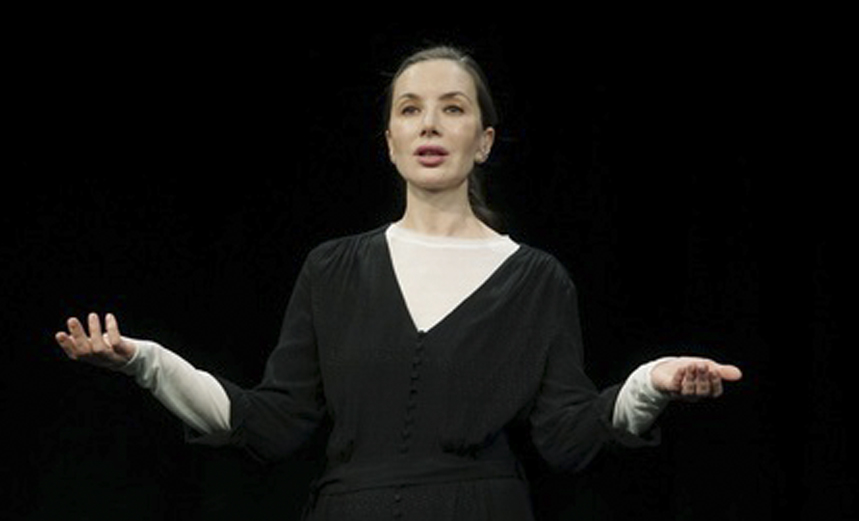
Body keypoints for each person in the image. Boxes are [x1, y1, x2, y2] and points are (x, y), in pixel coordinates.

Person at [54, 45, 742, 520]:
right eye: (410, 109)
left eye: (453, 108)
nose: (430, 124)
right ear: (389, 141)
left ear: (485, 140)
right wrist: (145, 361)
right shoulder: (332, 269)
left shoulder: (537, 280)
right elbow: (270, 423)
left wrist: (650, 383)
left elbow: (567, 434)